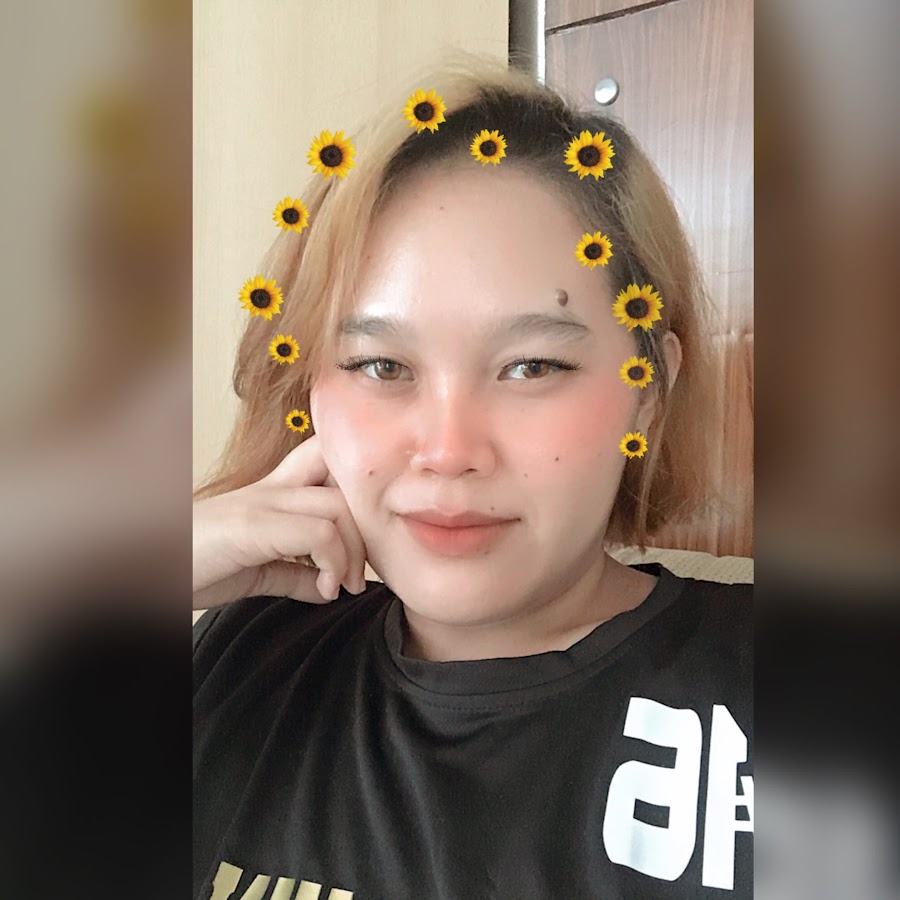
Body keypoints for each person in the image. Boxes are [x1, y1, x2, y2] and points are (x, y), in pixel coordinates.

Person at [193, 58, 752, 899]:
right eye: (381, 365)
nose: (449, 450)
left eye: (532, 366)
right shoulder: (251, 648)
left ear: (649, 391)